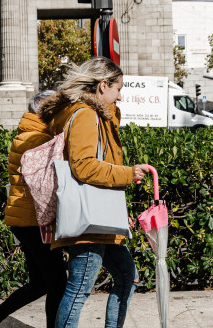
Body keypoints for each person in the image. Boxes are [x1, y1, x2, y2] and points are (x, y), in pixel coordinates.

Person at [37, 57, 149, 328]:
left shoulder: (91, 114)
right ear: (103, 85)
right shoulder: (86, 114)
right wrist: (127, 173)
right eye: (118, 89)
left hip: (101, 219)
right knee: (78, 290)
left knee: (127, 276)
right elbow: (84, 166)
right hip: (89, 220)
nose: (120, 96)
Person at [0, 90, 67, 328]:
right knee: (57, 283)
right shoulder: (39, 138)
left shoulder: (30, 133)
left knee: (40, 283)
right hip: (34, 220)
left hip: (26, 219)